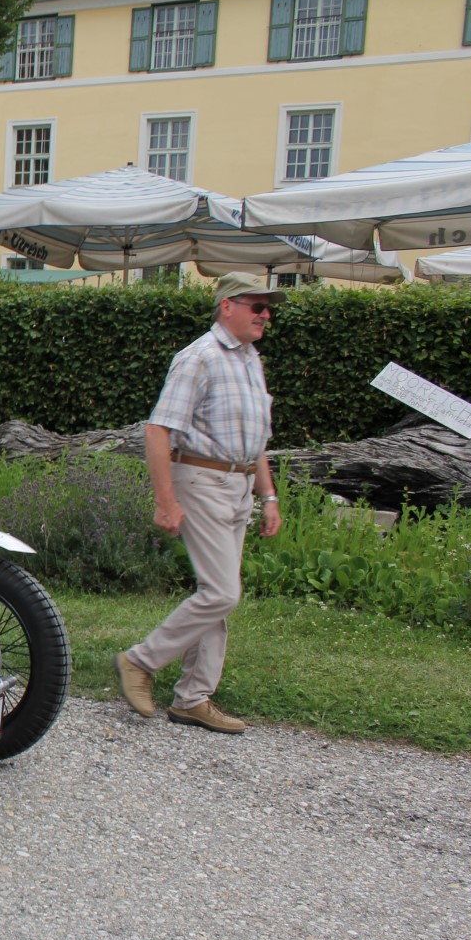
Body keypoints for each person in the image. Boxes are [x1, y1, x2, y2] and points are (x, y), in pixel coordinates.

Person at [113, 271, 285, 735]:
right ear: (227, 305)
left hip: (239, 485)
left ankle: (192, 698)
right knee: (222, 591)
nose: (266, 315)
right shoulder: (199, 358)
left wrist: (267, 495)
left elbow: (259, 441)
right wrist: (165, 500)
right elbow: (158, 429)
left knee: (218, 594)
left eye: (269, 308)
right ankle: (139, 661)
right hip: (202, 480)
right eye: (257, 306)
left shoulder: (251, 359)